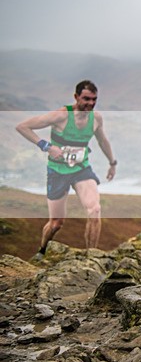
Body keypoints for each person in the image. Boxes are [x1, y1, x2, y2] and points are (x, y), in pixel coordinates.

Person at [16, 80, 117, 254]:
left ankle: (91, 257)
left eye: (94, 99)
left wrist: (112, 163)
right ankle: (42, 250)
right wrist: (46, 146)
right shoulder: (61, 115)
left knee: (95, 210)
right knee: (56, 223)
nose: (90, 103)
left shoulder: (96, 118)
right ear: (76, 97)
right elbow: (23, 127)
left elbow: (102, 141)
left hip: (81, 169)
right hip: (58, 171)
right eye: (86, 99)